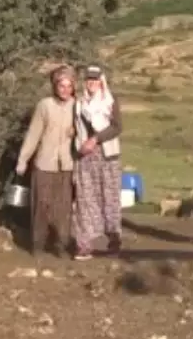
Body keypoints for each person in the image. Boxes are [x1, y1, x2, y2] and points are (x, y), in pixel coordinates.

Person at [15, 66, 78, 258]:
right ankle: (37, 245)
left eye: (69, 86)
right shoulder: (44, 106)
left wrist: (76, 132)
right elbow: (34, 133)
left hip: (67, 164)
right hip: (44, 162)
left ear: (73, 87)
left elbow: (87, 134)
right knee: (41, 205)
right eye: (61, 85)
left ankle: (61, 245)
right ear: (55, 86)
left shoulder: (78, 107)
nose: (65, 89)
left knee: (63, 207)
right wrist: (23, 159)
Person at [72, 64, 124, 260]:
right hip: (85, 156)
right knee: (85, 199)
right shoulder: (79, 103)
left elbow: (117, 127)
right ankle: (84, 244)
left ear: (101, 81)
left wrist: (96, 139)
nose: (91, 83)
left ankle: (114, 239)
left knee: (109, 198)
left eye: (94, 80)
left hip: (107, 155)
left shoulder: (110, 101)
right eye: (88, 80)